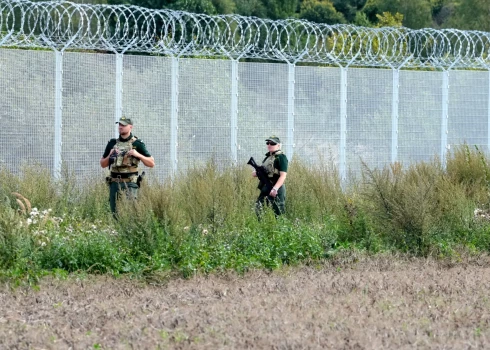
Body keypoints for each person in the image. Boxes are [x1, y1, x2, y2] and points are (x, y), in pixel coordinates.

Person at [100, 116, 155, 215]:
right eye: (119, 125)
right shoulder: (112, 143)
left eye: (123, 125)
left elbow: (151, 163)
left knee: (130, 214)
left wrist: (137, 154)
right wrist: (110, 155)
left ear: (130, 127)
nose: (120, 127)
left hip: (130, 184)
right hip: (114, 184)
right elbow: (103, 164)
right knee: (115, 214)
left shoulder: (137, 144)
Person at [252, 135, 288, 217]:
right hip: (266, 187)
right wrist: (257, 172)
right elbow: (259, 173)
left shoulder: (281, 157)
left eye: (272, 143)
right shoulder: (267, 158)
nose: (269, 145)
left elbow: (283, 176)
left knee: (278, 213)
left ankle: (280, 229)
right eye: (268, 143)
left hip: (276, 188)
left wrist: (275, 189)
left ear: (278, 145)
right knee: (259, 210)